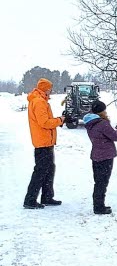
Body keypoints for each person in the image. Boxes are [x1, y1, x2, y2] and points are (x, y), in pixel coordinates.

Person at [23, 78, 65, 209]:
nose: (51, 91)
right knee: (41, 171)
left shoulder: (40, 100)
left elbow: (45, 120)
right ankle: (30, 200)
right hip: (43, 142)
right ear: (45, 89)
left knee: (48, 169)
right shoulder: (39, 102)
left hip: (45, 141)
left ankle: (47, 196)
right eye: (50, 89)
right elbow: (44, 123)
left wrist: (58, 120)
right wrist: (60, 120)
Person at [83, 100, 117, 215]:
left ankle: (98, 204)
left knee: (98, 182)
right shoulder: (103, 123)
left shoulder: (90, 123)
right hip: (105, 156)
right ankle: (99, 207)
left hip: (96, 155)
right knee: (102, 182)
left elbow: (105, 134)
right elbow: (115, 136)